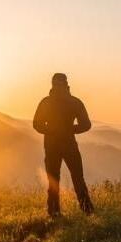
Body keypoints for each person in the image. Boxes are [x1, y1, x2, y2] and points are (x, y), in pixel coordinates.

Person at [33, 73, 94, 216]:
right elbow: (86, 125)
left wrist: (51, 130)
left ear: (52, 84)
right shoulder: (74, 102)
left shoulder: (46, 102)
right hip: (69, 144)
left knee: (53, 179)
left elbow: (37, 124)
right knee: (78, 177)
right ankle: (87, 210)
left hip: (51, 145)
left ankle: (54, 212)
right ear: (66, 84)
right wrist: (70, 129)